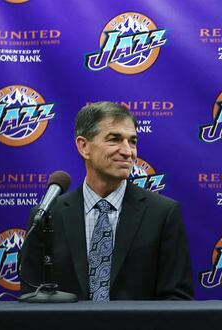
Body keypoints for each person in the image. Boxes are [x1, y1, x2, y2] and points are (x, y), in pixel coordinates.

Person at [20, 102, 193, 301]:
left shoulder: (163, 213)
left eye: (133, 141)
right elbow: (31, 297)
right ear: (83, 146)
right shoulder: (47, 216)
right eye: (115, 139)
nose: (128, 151)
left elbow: (177, 299)